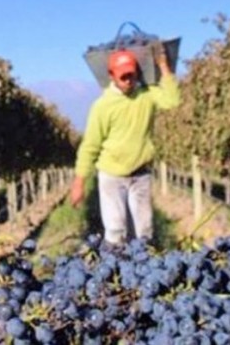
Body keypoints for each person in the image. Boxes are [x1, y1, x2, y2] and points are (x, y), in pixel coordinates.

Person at [69, 43, 180, 245]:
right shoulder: (102, 106)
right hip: (112, 176)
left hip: (141, 174)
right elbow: (90, 146)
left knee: (144, 231)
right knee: (115, 230)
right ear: (111, 75)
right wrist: (79, 182)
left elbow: (172, 100)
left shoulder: (146, 95)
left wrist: (163, 66)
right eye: (123, 76)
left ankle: (143, 271)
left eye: (132, 75)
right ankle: (116, 271)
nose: (129, 80)